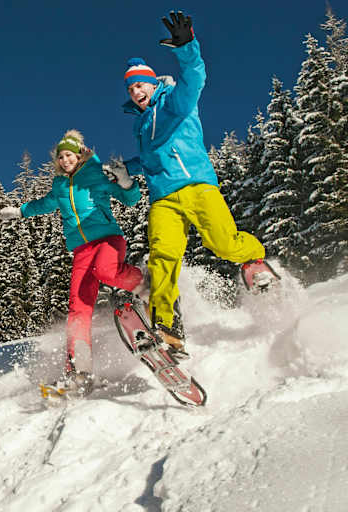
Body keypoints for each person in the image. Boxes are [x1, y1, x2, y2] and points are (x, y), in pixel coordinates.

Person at [117, 10, 278, 354]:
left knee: (223, 244)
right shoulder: (141, 127)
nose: (136, 91)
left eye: (140, 83)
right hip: (164, 200)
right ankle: (167, 326)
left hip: (197, 186)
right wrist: (125, 171)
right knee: (163, 257)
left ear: (153, 82)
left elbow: (195, 77)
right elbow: (148, 161)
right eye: (131, 87)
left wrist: (187, 46)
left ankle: (254, 258)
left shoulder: (176, 102)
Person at [0, 129, 147, 387]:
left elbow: (130, 199)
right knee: (78, 305)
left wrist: (125, 182)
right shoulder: (59, 186)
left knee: (106, 271)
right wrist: (20, 212)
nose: (65, 160)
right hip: (81, 250)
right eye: (61, 156)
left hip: (107, 239)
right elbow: (43, 205)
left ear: (79, 155)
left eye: (69, 155)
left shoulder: (95, 174)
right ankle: (79, 367)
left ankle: (149, 285)